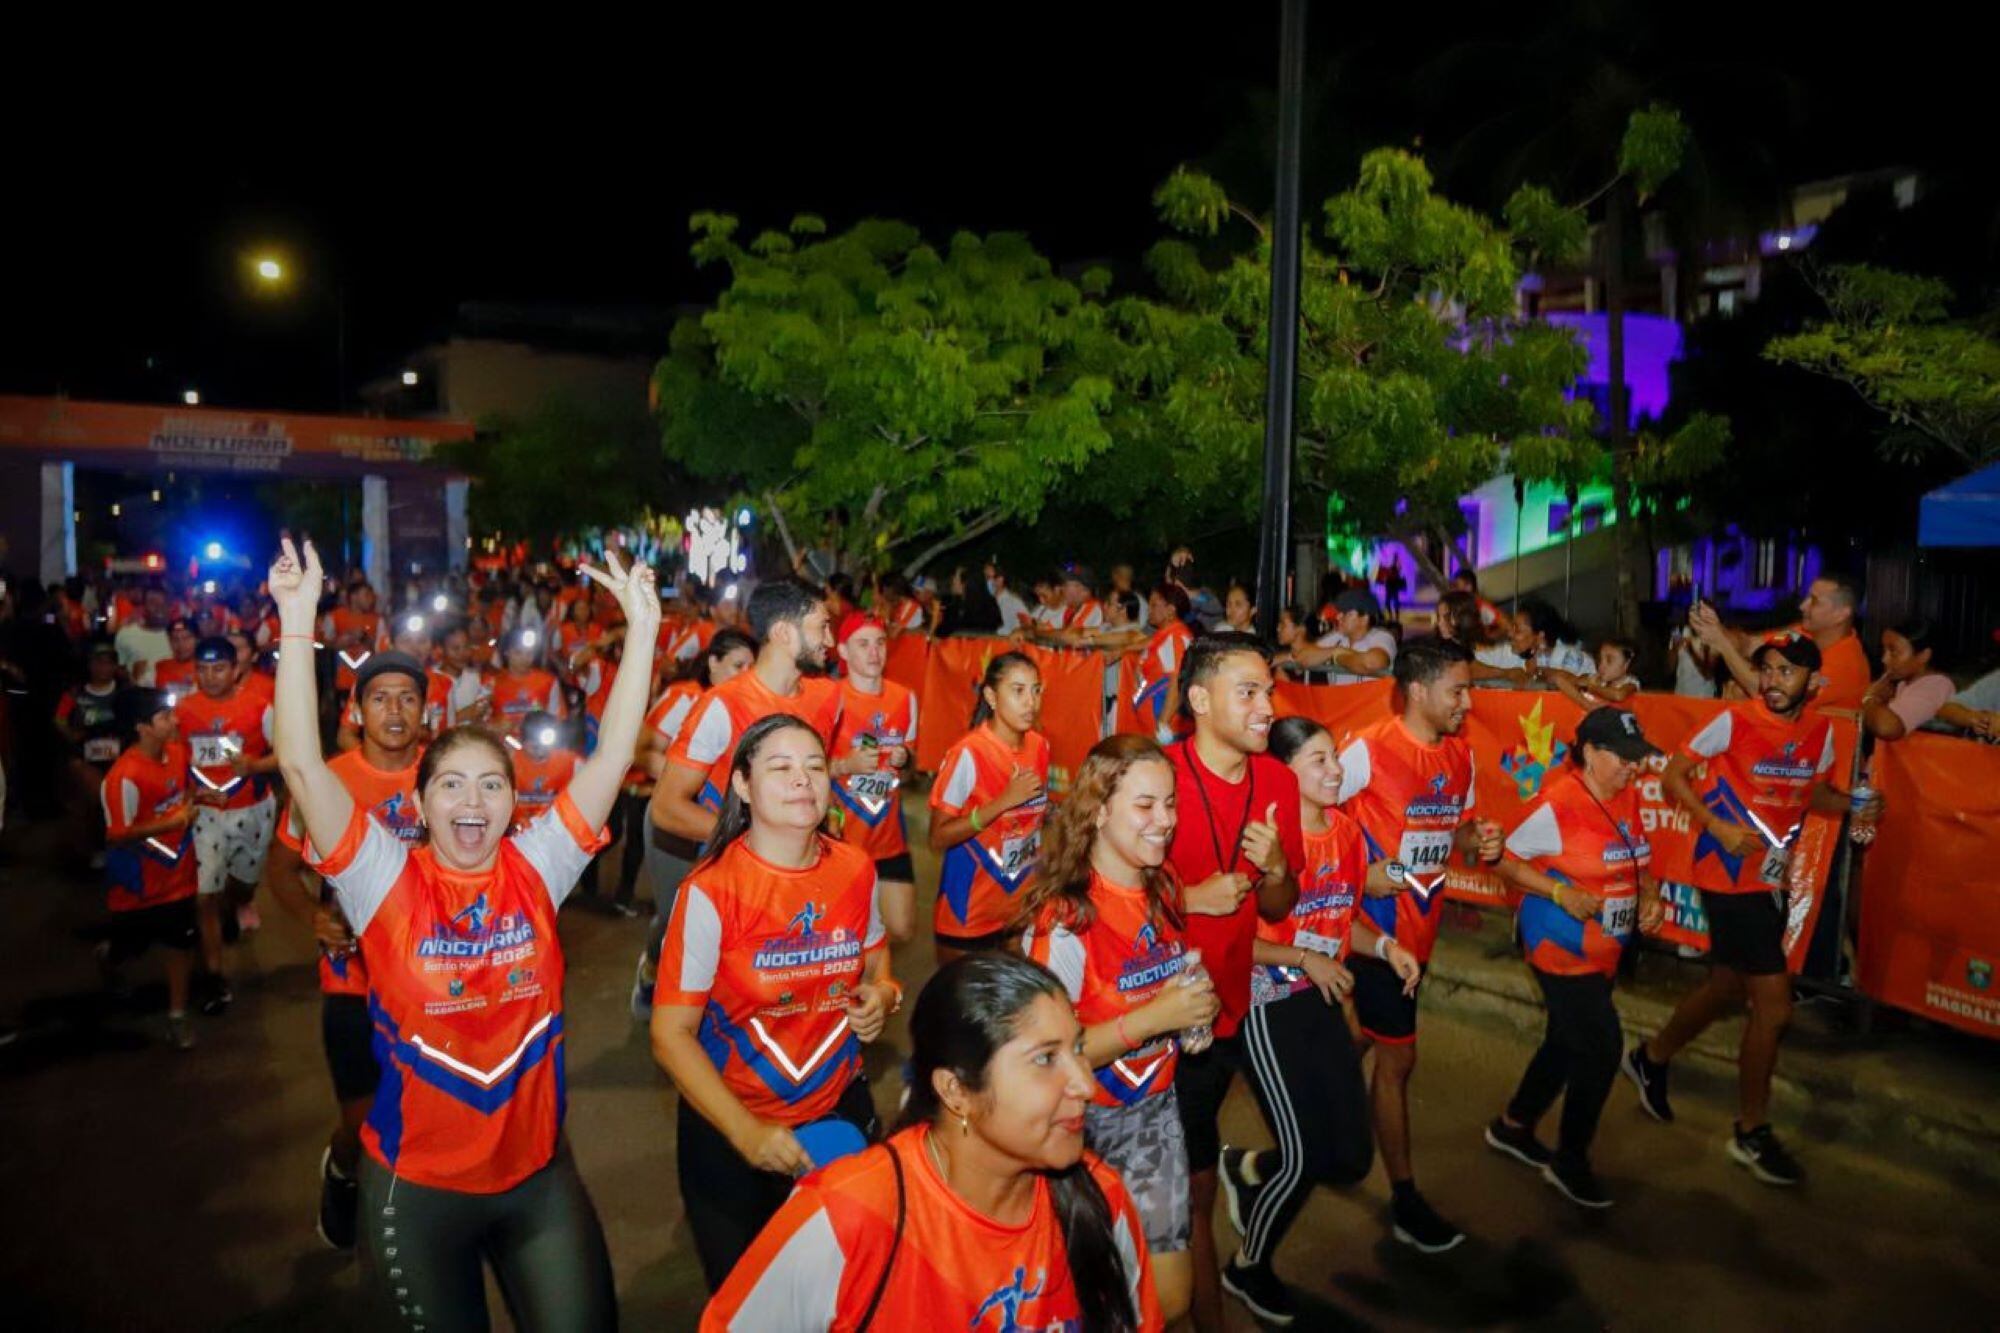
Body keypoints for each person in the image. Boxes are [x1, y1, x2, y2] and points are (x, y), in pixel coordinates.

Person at [271, 535, 654, 1332]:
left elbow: (615, 752)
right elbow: (305, 766)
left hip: (539, 1179)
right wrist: (299, 619)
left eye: (491, 784)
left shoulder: (539, 864)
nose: (471, 800)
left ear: (515, 804)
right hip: (418, 1190)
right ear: (418, 804)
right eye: (450, 783)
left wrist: (643, 628)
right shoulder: (381, 877)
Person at [702, 953, 1162, 1332]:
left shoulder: (1101, 1200)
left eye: (1078, 1049)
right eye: (1045, 1059)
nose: (1084, 1083)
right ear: (956, 1091)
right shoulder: (847, 1219)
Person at [651, 713, 899, 1291]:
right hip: (733, 1131)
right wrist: (746, 1133)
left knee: (847, 1293)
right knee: (752, 1303)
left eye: (815, 767)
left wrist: (882, 995)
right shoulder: (711, 891)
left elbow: (877, 960)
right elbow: (670, 1035)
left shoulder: (855, 869)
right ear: (741, 785)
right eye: (781, 767)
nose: (803, 780)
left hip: (839, 1112)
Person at [1623, 632, 1872, 1187]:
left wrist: (1854, 802)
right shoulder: (1735, 721)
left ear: (1814, 681)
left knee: (1728, 986)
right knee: (1775, 1008)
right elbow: (1673, 776)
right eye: (1768, 671)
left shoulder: (1820, 732)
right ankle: (1751, 1130)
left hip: (1770, 879)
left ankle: (1650, 1057)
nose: (1773, 682)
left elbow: (1812, 795)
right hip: (1726, 873)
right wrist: (1715, 824)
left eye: (1787, 672)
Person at [1218, 716, 1417, 1323]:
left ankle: (1247, 1168)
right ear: (1283, 775)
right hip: (1265, 1001)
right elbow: (1229, 942)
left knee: (1351, 1158)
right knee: (1305, 1154)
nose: (1337, 771)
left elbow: (1341, 919)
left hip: (1321, 1000)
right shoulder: (1260, 845)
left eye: (1336, 759)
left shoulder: (1350, 834)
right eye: (1320, 761)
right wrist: (1304, 957)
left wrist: (1384, 948)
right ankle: (1247, 1268)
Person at [1018, 735, 1213, 1323]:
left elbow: (1159, 982)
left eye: (1171, 804)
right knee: (1087, 1300)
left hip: (1155, 1110)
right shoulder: (1065, 918)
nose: (1165, 821)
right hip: (1079, 1126)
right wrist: (1157, 1018)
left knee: (1170, 1298)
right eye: (1146, 806)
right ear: (1100, 809)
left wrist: (1189, 1011)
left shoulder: (1163, 885)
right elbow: (1042, 1056)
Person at [1334, 637, 1502, 1253]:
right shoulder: (1367, 751)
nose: (1468, 700)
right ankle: (1405, 1199)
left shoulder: (1459, 756)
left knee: (1356, 1042)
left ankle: (1286, 1151)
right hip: (1373, 934)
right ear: (1420, 690)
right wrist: (1355, 874)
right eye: (1458, 689)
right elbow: (1305, 818)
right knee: (1398, 1061)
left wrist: (1474, 839)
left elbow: (1445, 833)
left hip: (1419, 935)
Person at [1160, 632, 1303, 1332]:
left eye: (1268, 691)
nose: (1267, 706)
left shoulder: (1277, 781)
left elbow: (1279, 906)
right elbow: (1094, 895)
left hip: (1232, 1014)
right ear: (1198, 699)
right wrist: (1190, 899)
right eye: (1248, 691)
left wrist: (1276, 867)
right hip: (1153, 1019)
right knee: (1193, 1193)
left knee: (1198, 1181)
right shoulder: (1155, 778)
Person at [266, 649, 428, 1251]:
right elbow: (282, 868)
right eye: (380, 697)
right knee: (362, 1121)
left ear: (424, 709)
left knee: (432, 1111)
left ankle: (418, 1224)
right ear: (358, 710)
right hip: (352, 981)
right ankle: (341, 1170)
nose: (395, 709)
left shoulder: (444, 774)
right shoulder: (327, 781)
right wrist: (313, 915)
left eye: (408, 697)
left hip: (431, 979)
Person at [1489, 707, 1664, 1209]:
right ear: (1590, 752)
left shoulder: (1626, 795)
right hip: (1558, 944)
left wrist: (1649, 897)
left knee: (1566, 1041)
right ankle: (1569, 1161)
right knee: (1603, 1046)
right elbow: (1502, 860)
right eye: (1624, 759)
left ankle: (1513, 1125)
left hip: (1604, 946)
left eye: (1639, 759)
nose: (1634, 768)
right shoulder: (1557, 803)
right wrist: (1559, 893)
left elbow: (1640, 861)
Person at [629, 629, 758, 1018]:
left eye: (752, 666)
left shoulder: (752, 707)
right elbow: (638, 748)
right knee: (674, 918)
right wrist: (678, 775)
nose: (745, 673)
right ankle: (651, 971)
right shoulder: (685, 697)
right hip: (674, 826)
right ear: (713, 663)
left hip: (724, 828)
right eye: (738, 665)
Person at [652, 579, 841, 844]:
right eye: (823, 626)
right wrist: (756, 842)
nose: (830, 640)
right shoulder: (723, 705)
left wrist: (830, 813)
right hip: (736, 870)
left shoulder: (828, 697)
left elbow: (816, 778)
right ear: (783, 633)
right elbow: (666, 808)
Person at [176, 636, 280, 1007]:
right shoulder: (183, 710)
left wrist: (253, 765)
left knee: (241, 888)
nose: (210, 676)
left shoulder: (259, 706)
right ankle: (214, 976)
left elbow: (286, 754)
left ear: (235, 670)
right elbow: (174, 757)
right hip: (206, 815)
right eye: (202, 669)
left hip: (252, 811)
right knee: (205, 896)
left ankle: (235, 908)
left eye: (218, 668)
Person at [928, 653, 1051, 962]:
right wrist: (1002, 803)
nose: (1030, 702)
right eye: (1018, 690)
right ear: (991, 696)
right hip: (969, 912)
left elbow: (1030, 824)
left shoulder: (1040, 746)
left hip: (1019, 906)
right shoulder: (968, 753)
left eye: (1036, 690)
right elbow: (937, 838)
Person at [97, 687, 199, 1051]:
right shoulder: (123, 777)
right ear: (142, 727)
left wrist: (198, 800)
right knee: (129, 946)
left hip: (180, 877)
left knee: (178, 944)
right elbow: (116, 834)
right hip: (138, 885)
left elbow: (184, 794)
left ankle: (176, 1015)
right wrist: (170, 822)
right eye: (164, 717)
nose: (174, 721)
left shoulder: (177, 752)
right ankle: (109, 959)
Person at [830, 613, 921, 942]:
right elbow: (805, 768)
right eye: (863, 644)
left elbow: (910, 769)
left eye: (880, 643)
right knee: (843, 935)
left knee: (901, 929)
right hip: (840, 840)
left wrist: (905, 758)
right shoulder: (830, 699)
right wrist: (845, 765)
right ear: (843, 651)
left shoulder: (905, 698)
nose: (873, 652)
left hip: (889, 838)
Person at [1693, 571, 1870, 712]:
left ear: (1842, 614)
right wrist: (1712, 628)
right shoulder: (1803, 633)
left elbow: (1770, 693)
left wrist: (1723, 645)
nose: (1803, 606)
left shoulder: (1846, 663)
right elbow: (1749, 644)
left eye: (1814, 602)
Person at [1860, 618, 1955, 741]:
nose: (1884, 659)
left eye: (1893, 652)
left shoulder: (1935, 686)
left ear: (1923, 656)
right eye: (1884, 651)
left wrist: (1870, 698)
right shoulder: (1904, 684)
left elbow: (1886, 728)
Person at [1287, 588, 1397, 683]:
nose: (1338, 617)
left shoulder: (1382, 637)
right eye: (1338, 612)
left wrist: (1337, 656)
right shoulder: (1337, 637)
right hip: (1339, 705)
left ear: (1364, 619)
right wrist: (1335, 651)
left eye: (1345, 613)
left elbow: (1371, 663)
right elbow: (1302, 657)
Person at [1133, 585, 1194, 743]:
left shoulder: (1176, 639)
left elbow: (1177, 683)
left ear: (1170, 611)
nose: (1149, 610)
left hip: (1167, 732)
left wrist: (1162, 725)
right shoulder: (1163, 636)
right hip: (1153, 726)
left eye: (1154, 605)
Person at [488, 626, 565, 738]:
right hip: (502, 746)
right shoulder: (492, 683)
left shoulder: (549, 681)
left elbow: (558, 719)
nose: (524, 658)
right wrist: (494, 726)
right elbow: (479, 721)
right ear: (507, 653)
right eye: (518, 653)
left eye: (529, 653)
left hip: (536, 746)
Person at [510, 711, 582, 829]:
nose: (539, 750)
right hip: (516, 828)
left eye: (543, 745)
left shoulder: (570, 762)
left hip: (556, 828)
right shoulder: (508, 762)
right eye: (534, 745)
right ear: (522, 741)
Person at [1553, 636, 1642, 710]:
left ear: (1626, 664)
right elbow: (1559, 680)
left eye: (1609, 661)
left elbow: (1618, 695)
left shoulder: (1630, 682)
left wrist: (1591, 688)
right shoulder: (1595, 679)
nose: (1601, 666)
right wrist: (1587, 704)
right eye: (1600, 660)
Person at [113, 585, 172, 686]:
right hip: (139, 696)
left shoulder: (178, 635)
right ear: (143, 607)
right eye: (153, 603)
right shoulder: (126, 634)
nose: (159, 608)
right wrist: (131, 676)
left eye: (164, 603)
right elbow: (118, 667)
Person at [151, 617, 200, 692]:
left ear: (196, 640)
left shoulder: (206, 669)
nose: (181, 644)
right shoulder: (160, 667)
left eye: (186, 638)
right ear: (169, 641)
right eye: (175, 639)